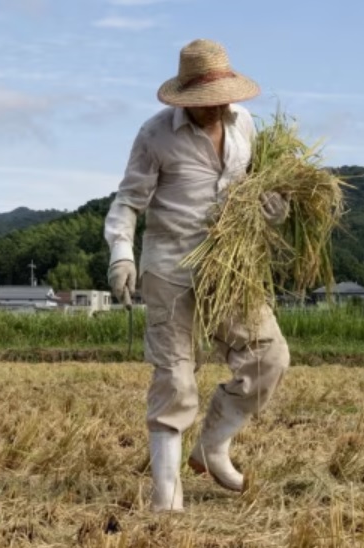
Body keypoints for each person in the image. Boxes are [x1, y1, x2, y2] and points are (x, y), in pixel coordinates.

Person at [104, 39, 291, 512]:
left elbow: (252, 190)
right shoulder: (154, 136)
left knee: (268, 357)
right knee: (176, 379)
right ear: (185, 97)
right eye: (205, 101)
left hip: (229, 267)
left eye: (223, 97)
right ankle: (167, 498)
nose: (217, 107)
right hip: (169, 268)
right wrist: (121, 256)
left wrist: (274, 212)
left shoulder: (244, 125)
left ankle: (212, 446)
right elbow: (128, 201)